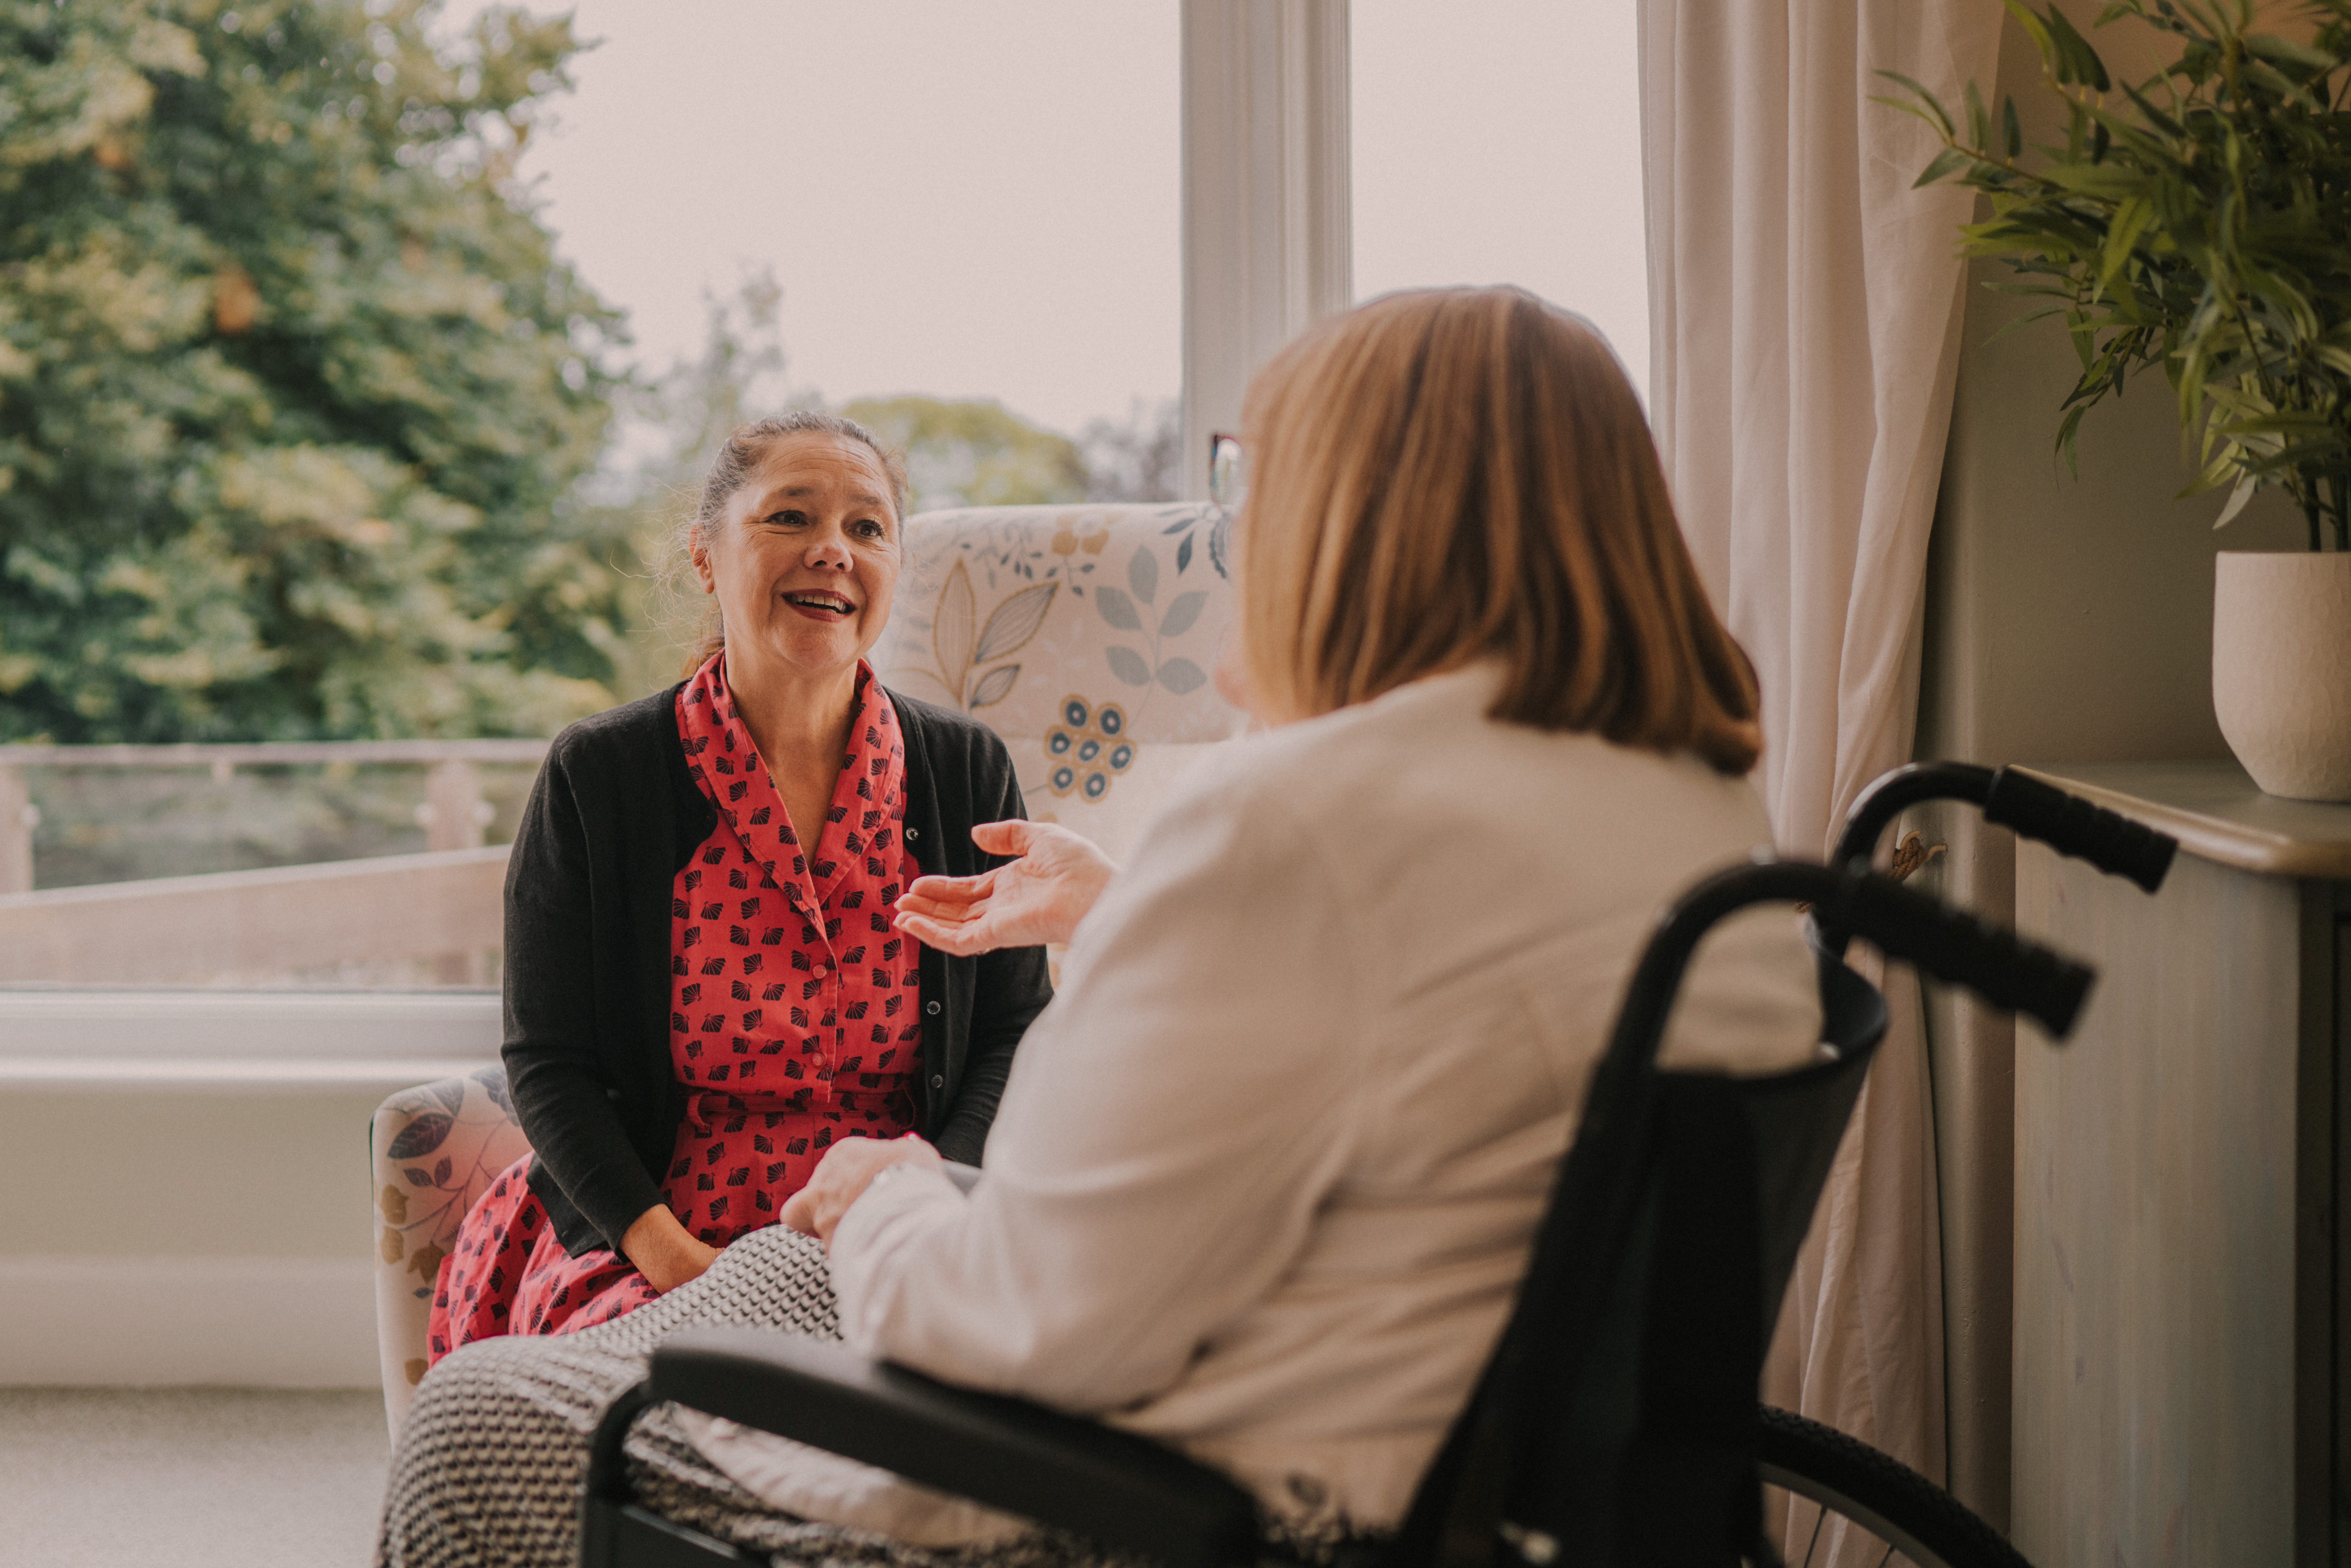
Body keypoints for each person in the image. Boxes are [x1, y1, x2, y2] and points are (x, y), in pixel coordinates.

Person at [377, 290, 1820, 1566]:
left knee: (470, 1422)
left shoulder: (1288, 821)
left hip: (1145, 1501)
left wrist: (888, 1184)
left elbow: (1021, 1322)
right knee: (779, 1264)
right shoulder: (1702, 811)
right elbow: (1421, 1030)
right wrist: (1126, 915)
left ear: (1357, 525)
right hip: (1467, 1465)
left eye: (1272, 490)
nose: (1250, 535)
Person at [423, 411, 1052, 1362]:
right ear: (707, 556)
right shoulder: (599, 776)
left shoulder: (966, 770)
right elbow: (549, 1061)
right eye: (790, 518)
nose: (832, 551)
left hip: (898, 1220)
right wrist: (682, 1264)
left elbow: (1011, 1026)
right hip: (657, 1240)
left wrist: (928, 1192)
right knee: (647, 1428)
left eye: (868, 527)